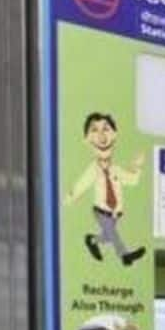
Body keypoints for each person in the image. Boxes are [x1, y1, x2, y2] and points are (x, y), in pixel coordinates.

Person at [65, 112, 147, 266]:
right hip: (101, 211)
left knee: (108, 236)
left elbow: (132, 180)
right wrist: (67, 200)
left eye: (106, 129)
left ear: (115, 135)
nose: (102, 137)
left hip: (116, 214)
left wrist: (137, 166)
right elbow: (80, 185)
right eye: (94, 130)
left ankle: (92, 240)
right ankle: (125, 256)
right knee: (114, 235)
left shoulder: (116, 169)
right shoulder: (93, 170)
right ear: (87, 139)